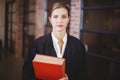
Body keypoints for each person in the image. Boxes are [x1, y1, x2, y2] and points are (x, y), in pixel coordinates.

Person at [22, 1, 87, 80]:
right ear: (50, 19)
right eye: (55, 16)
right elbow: (27, 75)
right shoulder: (37, 45)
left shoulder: (78, 46)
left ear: (68, 19)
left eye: (63, 17)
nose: (59, 20)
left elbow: (83, 75)